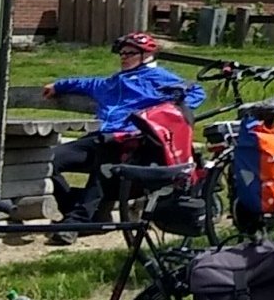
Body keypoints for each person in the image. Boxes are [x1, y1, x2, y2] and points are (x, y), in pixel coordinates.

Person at [44, 32, 206, 245]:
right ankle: (77, 209)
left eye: (130, 53)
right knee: (47, 161)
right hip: (102, 136)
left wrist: (163, 114)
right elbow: (87, 84)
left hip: (130, 141)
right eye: (122, 53)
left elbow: (196, 92)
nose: (124, 57)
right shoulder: (114, 81)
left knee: (103, 169)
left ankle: (74, 224)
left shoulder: (159, 78)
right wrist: (58, 86)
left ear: (146, 55)